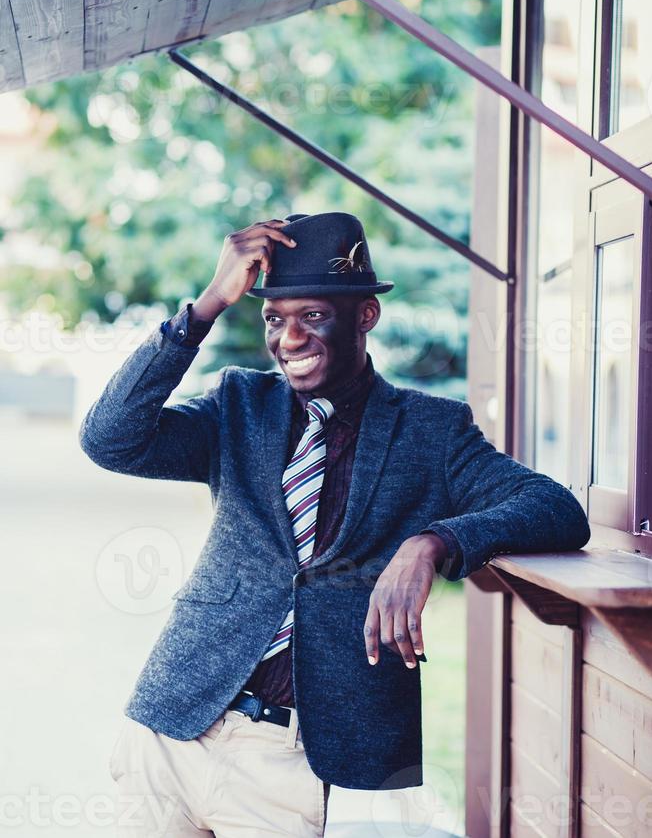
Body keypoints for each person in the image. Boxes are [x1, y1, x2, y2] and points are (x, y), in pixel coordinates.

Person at [79, 211, 591, 836]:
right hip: (174, 724)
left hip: (293, 761)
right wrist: (208, 306)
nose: (289, 338)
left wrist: (434, 543)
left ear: (364, 316)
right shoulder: (239, 405)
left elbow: (558, 509)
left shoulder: (431, 432)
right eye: (274, 319)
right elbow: (110, 439)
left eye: (312, 316)